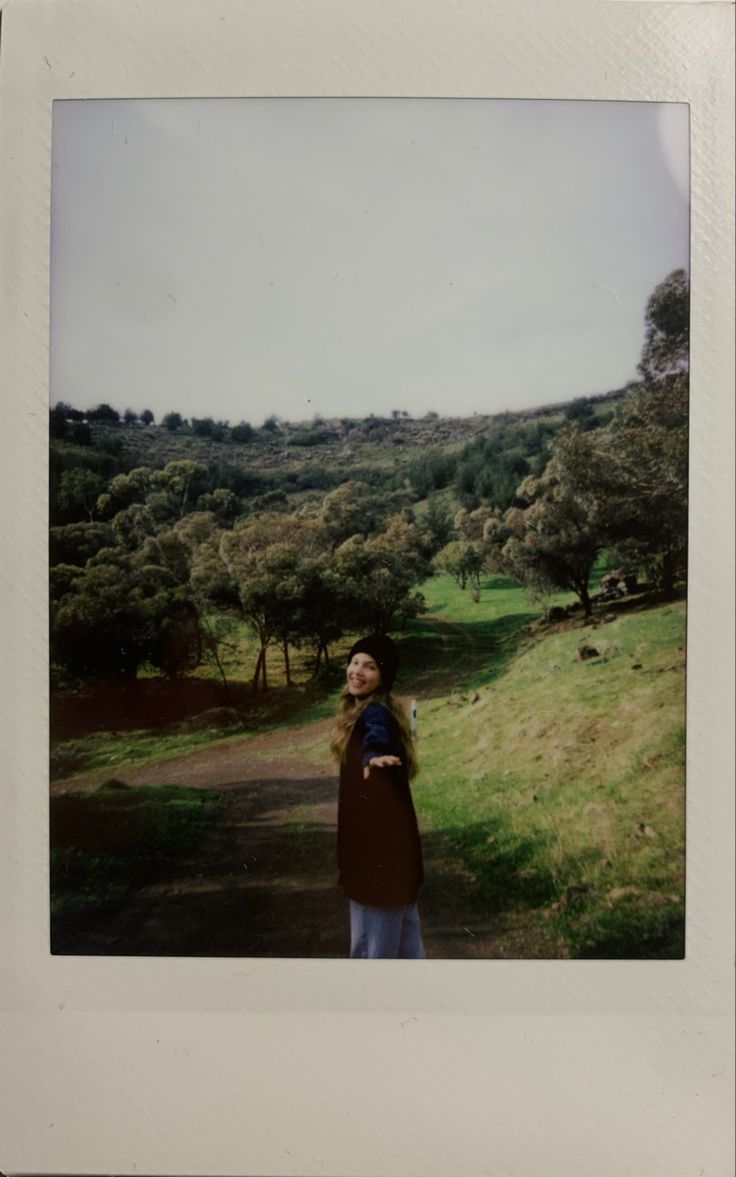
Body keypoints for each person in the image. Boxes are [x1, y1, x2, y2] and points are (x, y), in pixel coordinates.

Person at [330, 634, 425, 959]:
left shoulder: (374, 715)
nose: (357, 671)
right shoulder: (376, 710)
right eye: (355, 662)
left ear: (383, 676)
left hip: (377, 868)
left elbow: (376, 736)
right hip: (396, 863)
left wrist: (372, 755)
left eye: (369, 666)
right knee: (407, 955)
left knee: (373, 960)